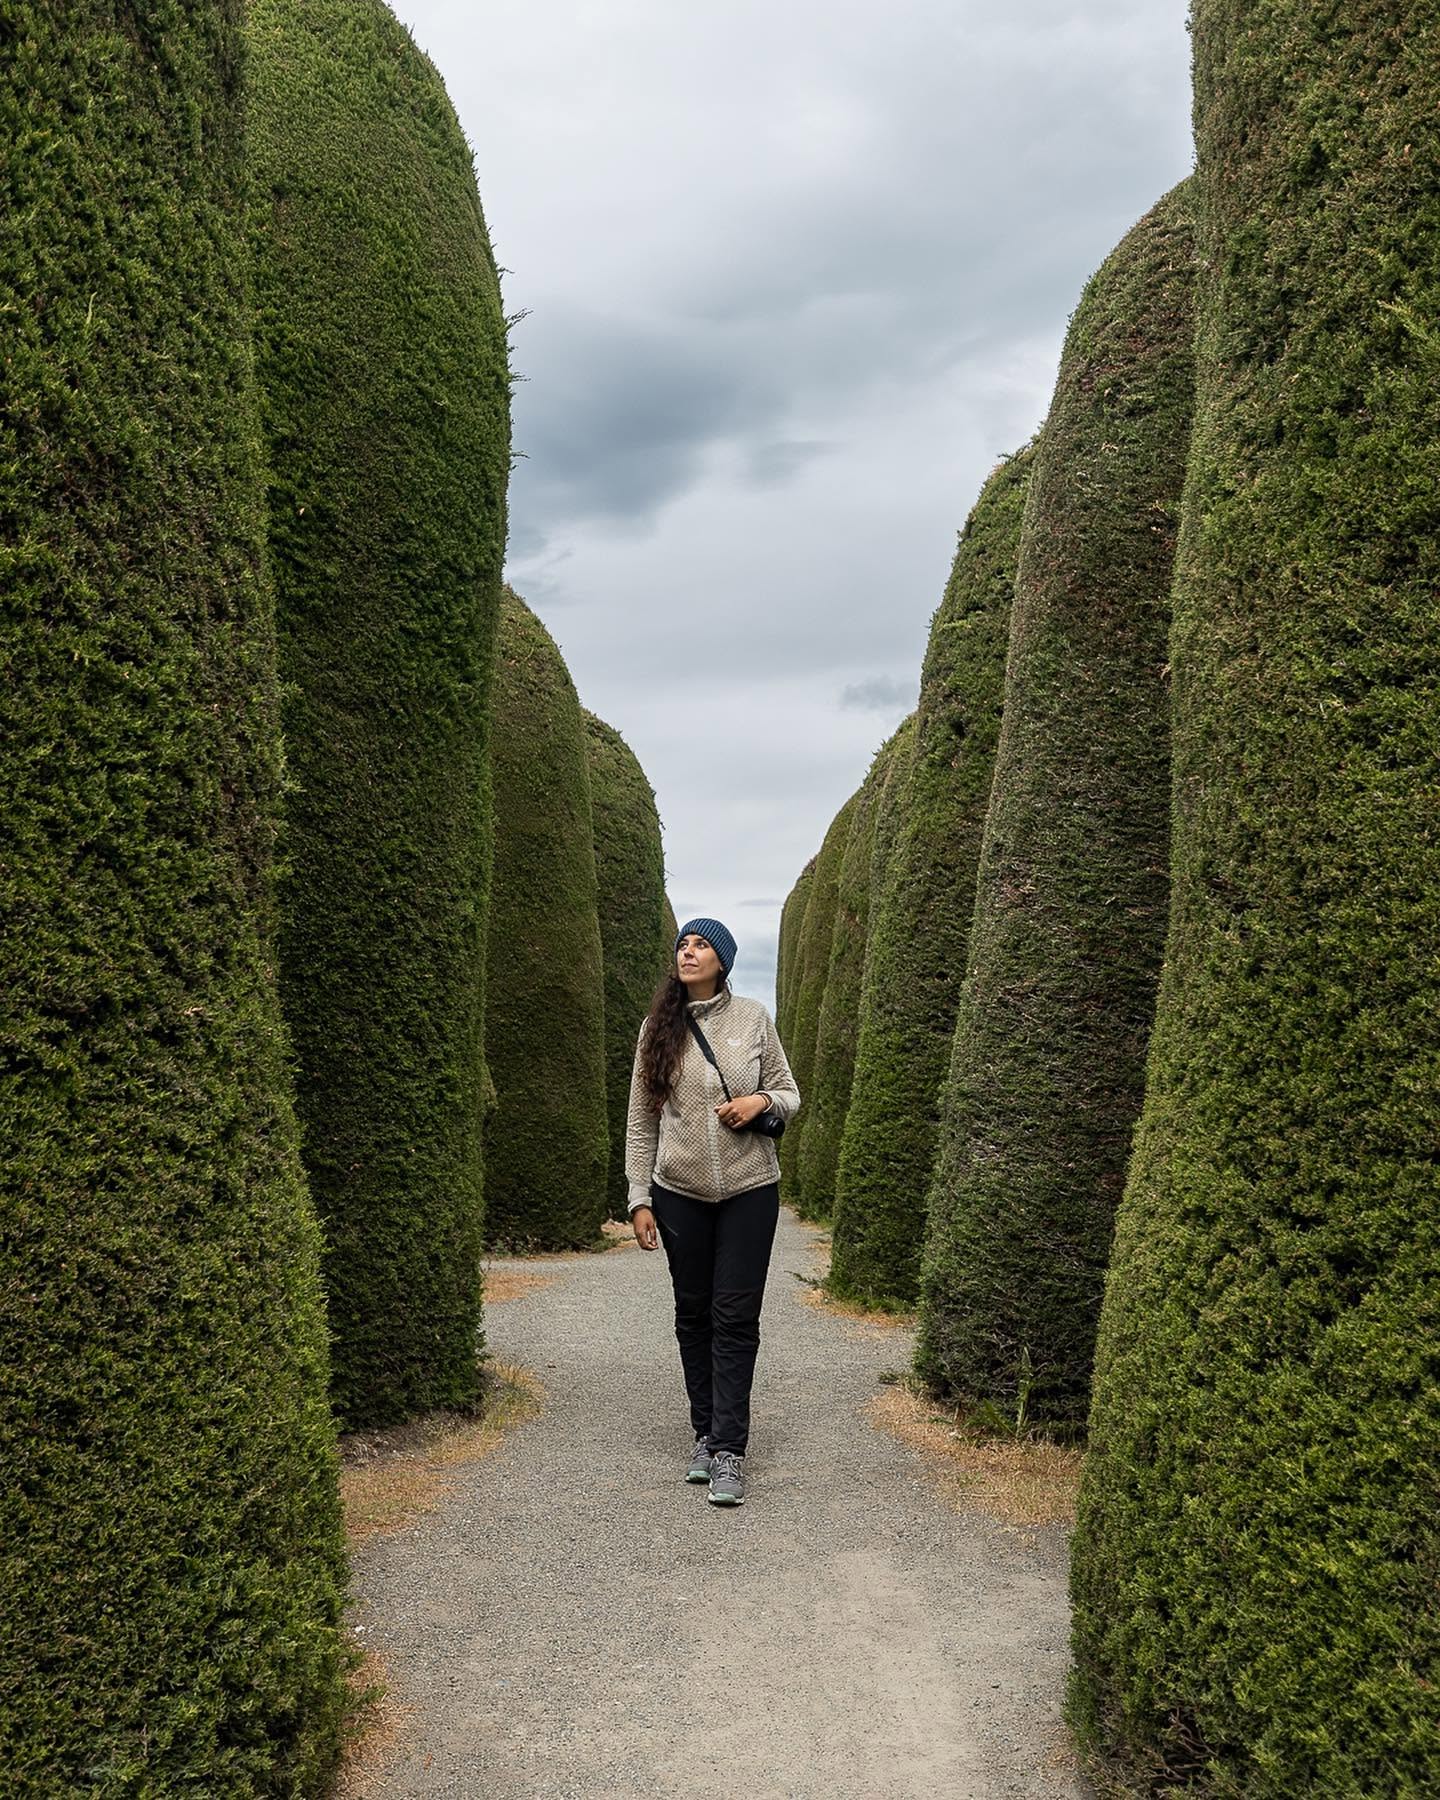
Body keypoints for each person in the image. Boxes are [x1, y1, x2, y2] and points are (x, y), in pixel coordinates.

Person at [626, 917, 800, 1506]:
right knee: (693, 1313)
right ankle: (704, 1432)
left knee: (735, 1316)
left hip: (750, 1189)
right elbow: (642, 1122)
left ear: (722, 961)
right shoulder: (658, 1029)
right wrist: (639, 1198)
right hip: (680, 1194)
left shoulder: (753, 1018)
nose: (689, 951)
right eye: (683, 944)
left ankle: (728, 1449)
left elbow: (789, 1092)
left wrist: (759, 1101)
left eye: (701, 945)